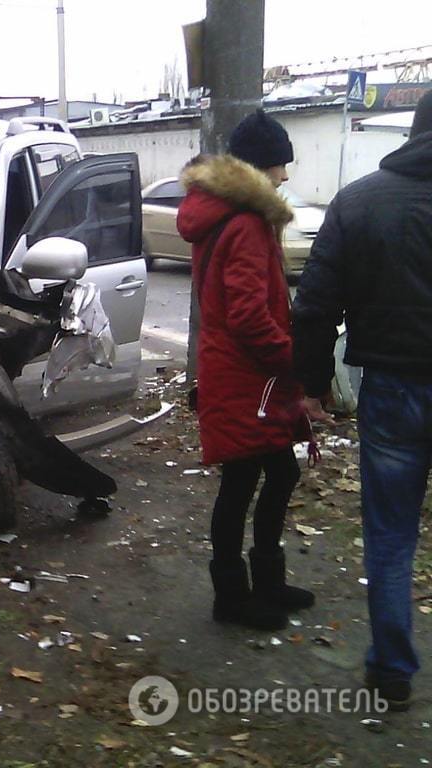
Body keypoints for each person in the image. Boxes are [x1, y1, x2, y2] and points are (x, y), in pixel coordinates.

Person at [291, 92, 432, 712]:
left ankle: (393, 671)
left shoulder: (360, 199)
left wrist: (312, 383)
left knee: (392, 533)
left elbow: (316, 304)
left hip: (394, 389)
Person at [177, 109, 315, 632]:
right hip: (246, 378)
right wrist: (291, 358)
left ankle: (264, 583)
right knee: (247, 480)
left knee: (270, 473)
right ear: (261, 168)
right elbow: (248, 314)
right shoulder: (248, 222)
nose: (285, 176)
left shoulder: (225, 216)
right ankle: (234, 596)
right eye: (281, 165)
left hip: (236, 373)